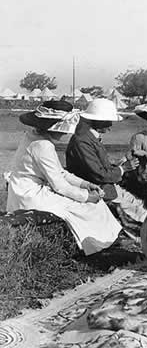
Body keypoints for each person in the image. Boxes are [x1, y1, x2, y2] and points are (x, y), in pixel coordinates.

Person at [6, 100, 121, 255]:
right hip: (30, 195)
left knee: (90, 204)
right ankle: (96, 244)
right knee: (88, 207)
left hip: (22, 190)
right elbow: (59, 185)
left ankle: (102, 240)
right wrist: (86, 197)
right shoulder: (43, 146)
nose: (66, 133)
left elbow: (59, 172)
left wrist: (85, 184)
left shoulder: (33, 137)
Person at [65, 99, 146, 223]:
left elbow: (99, 164)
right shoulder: (82, 142)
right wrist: (123, 169)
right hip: (99, 190)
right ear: (98, 121)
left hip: (108, 187)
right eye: (108, 122)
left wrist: (119, 163)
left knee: (142, 206)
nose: (110, 126)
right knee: (141, 216)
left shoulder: (90, 138)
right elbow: (99, 174)